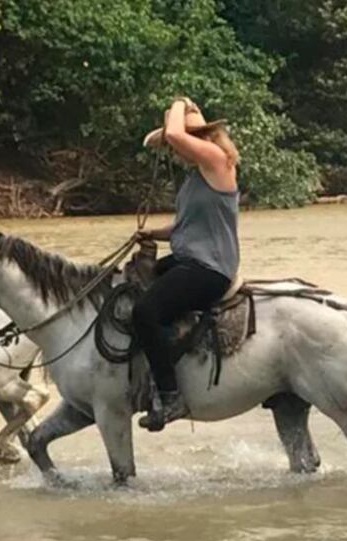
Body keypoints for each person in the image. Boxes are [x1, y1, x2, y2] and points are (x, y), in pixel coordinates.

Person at [131, 97, 240, 431]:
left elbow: (176, 135)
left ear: (202, 137)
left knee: (145, 312)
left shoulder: (217, 160)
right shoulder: (197, 176)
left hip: (210, 268)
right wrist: (152, 233)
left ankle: (170, 394)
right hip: (188, 259)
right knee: (132, 281)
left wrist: (177, 104)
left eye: (175, 143)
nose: (174, 150)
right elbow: (186, 228)